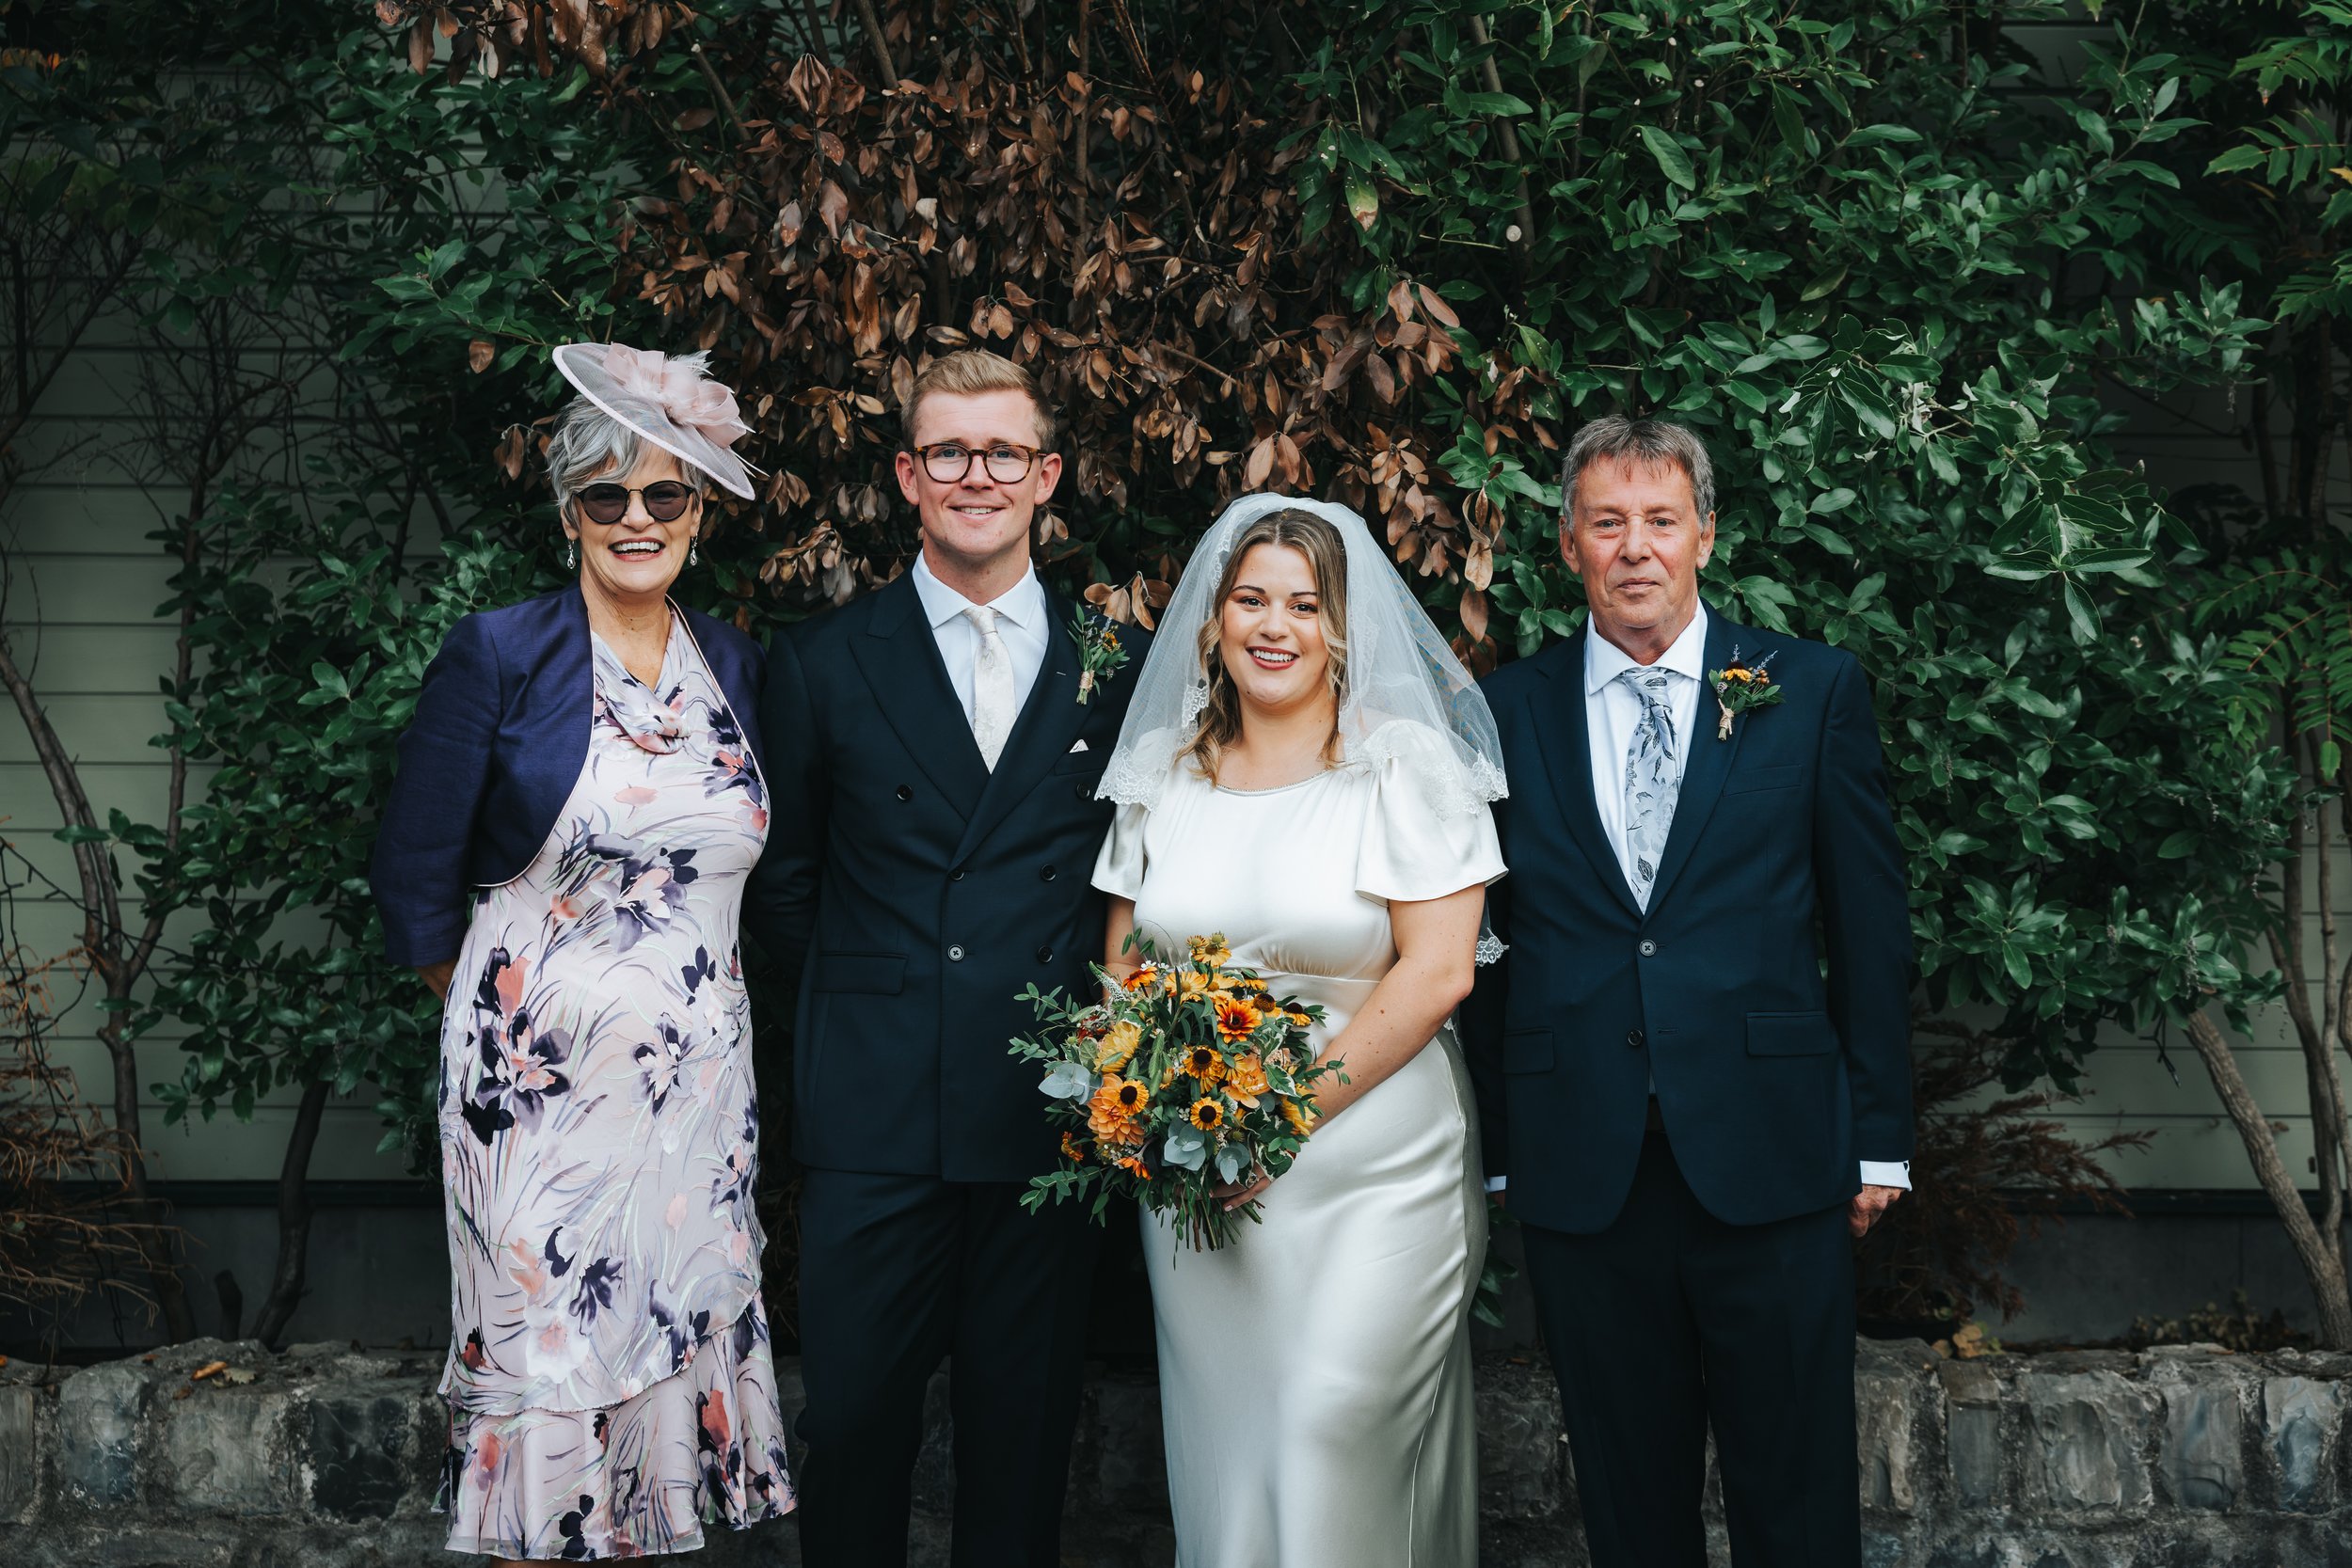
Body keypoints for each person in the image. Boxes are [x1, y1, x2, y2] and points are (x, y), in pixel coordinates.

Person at [1463, 416, 1914, 1568]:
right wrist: (1504, 1147)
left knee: (1798, 1491)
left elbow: (1867, 927)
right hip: (1585, 1163)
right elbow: (1484, 940)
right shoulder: (1504, 713)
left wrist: (1877, 1138)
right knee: (1626, 1495)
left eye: (1660, 520)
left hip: (1773, 1153)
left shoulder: (1808, 689)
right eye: (1607, 522)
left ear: (1704, 535)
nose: (1636, 548)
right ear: (1568, 545)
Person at [372, 343, 791, 1563]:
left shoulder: (740, 667)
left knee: (665, 1365)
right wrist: (526, 1031)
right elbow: (414, 875)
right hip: (539, 1114)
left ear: (700, 514)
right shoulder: (500, 653)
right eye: (606, 494)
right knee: (553, 1367)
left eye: (664, 493)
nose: (636, 517)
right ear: (569, 513)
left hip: (699, 1106)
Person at [747, 349, 1151, 1567]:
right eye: (950, 452)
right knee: (857, 1420)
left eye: (1005, 452)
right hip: (875, 1116)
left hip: (1045, 1116)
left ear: (1047, 477)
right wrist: (839, 1048)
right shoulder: (822, 660)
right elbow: (787, 887)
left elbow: (1133, 880)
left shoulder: (1114, 661)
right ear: (908, 477)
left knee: (1022, 1440)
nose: (978, 474)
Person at [1089, 496, 1508, 1566]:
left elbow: (1439, 971)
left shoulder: (1404, 764)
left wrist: (1271, 1119)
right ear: (1215, 619)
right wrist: (1144, 1109)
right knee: (1231, 1456)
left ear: (1343, 630)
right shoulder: (1165, 774)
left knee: (1331, 1428)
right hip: (1199, 1183)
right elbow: (1125, 972)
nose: (1274, 626)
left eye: (1304, 605)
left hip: (1375, 1164)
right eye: (1250, 599)